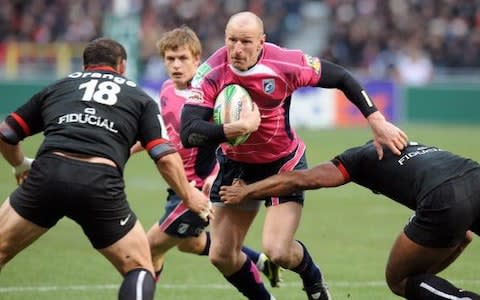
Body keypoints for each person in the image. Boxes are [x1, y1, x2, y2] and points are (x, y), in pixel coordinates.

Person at [180, 11, 408, 300]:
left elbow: (342, 77)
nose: (237, 49)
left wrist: (376, 120)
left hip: (282, 163)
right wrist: (235, 129)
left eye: (246, 42)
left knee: (277, 251)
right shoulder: (211, 71)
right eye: (232, 40)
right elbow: (189, 132)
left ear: (262, 41)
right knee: (221, 255)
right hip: (236, 165)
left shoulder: (286, 62)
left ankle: (312, 278)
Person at [0, 38, 211, 300]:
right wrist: (190, 197)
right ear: (122, 66)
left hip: (48, 173)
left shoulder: (60, 86)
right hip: (98, 182)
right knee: (139, 268)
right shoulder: (139, 97)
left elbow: (7, 133)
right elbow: (164, 156)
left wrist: (20, 164)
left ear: (85, 65)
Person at [219, 140, 480, 300]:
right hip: (473, 175)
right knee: (421, 279)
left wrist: (247, 191)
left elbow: (303, 179)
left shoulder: (359, 159)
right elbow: (463, 237)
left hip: (444, 197)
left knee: (400, 280)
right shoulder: (415, 147)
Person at [133, 25, 282, 287]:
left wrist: (215, 175)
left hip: (198, 190)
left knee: (148, 249)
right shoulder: (167, 89)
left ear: (197, 60)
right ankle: (260, 261)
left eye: (183, 58)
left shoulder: (211, 96)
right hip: (178, 187)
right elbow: (162, 134)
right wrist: (125, 150)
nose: (176, 65)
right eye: (170, 59)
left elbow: (230, 140)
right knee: (190, 244)